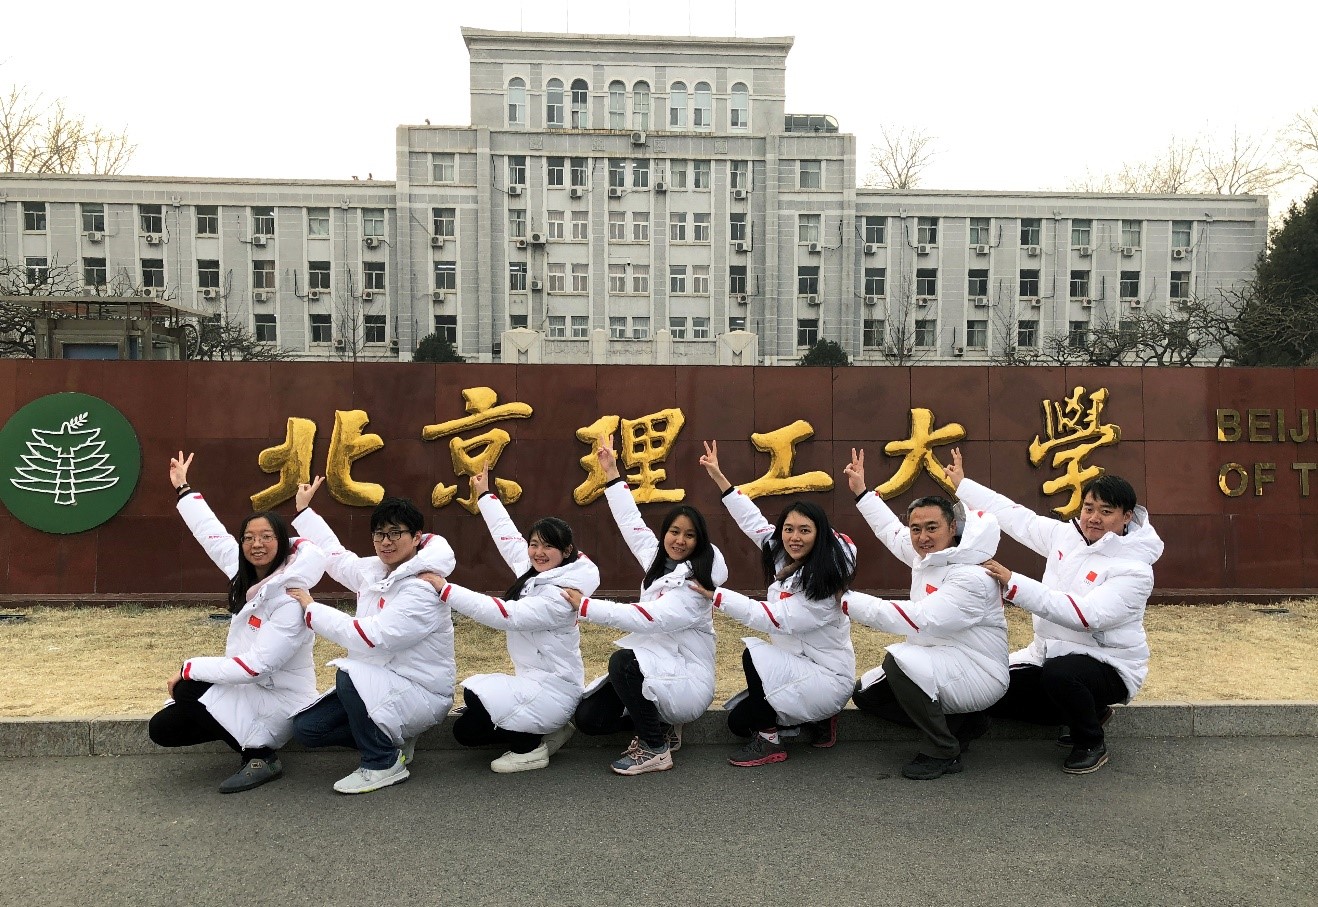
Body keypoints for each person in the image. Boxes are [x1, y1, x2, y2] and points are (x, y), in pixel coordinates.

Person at [946, 448, 1164, 774]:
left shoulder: (1135, 569)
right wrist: (964, 486)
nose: (1093, 517)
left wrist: (1014, 584)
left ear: (1127, 517)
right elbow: (1016, 517)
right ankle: (1087, 710)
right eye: (1088, 508)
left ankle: (1090, 741)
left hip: (1110, 664)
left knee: (1061, 674)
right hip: (1048, 653)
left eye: (1105, 511)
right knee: (990, 686)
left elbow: (1087, 616)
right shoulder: (1066, 536)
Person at [148, 452, 326, 794]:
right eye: (249, 537)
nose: (257, 544)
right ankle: (238, 729)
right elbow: (211, 535)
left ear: (282, 543)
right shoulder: (247, 576)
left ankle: (260, 755)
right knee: (164, 728)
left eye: (267, 537)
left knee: (188, 687)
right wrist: (183, 488)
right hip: (247, 689)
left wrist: (188, 668)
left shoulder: (290, 597)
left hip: (281, 698)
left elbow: (256, 667)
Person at [840, 448, 1008, 780]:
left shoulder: (971, 576)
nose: (922, 537)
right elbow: (891, 532)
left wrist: (846, 600)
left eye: (932, 527)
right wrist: (862, 492)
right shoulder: (929, 556)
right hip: (939, 660)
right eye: (916, 529)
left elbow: (920, 617)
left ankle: (943, 749)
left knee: (897, 662)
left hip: (977, 670)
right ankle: (964, 724)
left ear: (953, 528)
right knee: (867, 696)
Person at [418, 467, 596, 774]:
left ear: (567, 551)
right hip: (531, 684)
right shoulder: (536, 573)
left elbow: (506, 615)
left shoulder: (561, 596)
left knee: (473, 696)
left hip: (555, 691)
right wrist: (484, 494)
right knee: (465, 729)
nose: (538, 552)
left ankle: (531, 749)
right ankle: (547, 732)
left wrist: (445, 589)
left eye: (548, 546)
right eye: (534, 544)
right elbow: (507, 536)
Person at [568, 440, 728, 776]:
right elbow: (632, 523)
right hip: (654, 667)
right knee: (590, 719)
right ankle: (660, 725)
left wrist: (587, 607)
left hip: (686, 678)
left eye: (689, 536)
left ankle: (655, 747)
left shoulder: (695, 589)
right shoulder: (660, 561)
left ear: (699, 542)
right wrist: (611, 473)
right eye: (674, 532)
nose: (679, 540)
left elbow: (647, 618)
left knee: (622, 661)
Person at [288, 478, 456, 794]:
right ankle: (391, 741)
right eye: (379, 534)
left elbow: (376, 636)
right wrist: (305, 511)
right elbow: (336, 557)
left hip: (419, 690)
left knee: (347, 674)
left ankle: (382, 762)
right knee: (308, 729)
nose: (385, 542)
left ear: (416, 537)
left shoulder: (422, 588)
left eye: (395, 533)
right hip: (377, 685)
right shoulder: (375, 571)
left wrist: (312, 609)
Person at [696, 440, 856, 767]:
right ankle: (815, 719)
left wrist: (718, 595)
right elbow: (752, 520)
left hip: (826, 678)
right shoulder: (786, 556)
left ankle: (773, 742)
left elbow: (772, 618)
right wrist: (719, 478)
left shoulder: (824, 587)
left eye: (805, 531)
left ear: (820, 536)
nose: (794, 537)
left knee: (753, 654)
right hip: (794, 670)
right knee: (738, 723)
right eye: (789, 529)